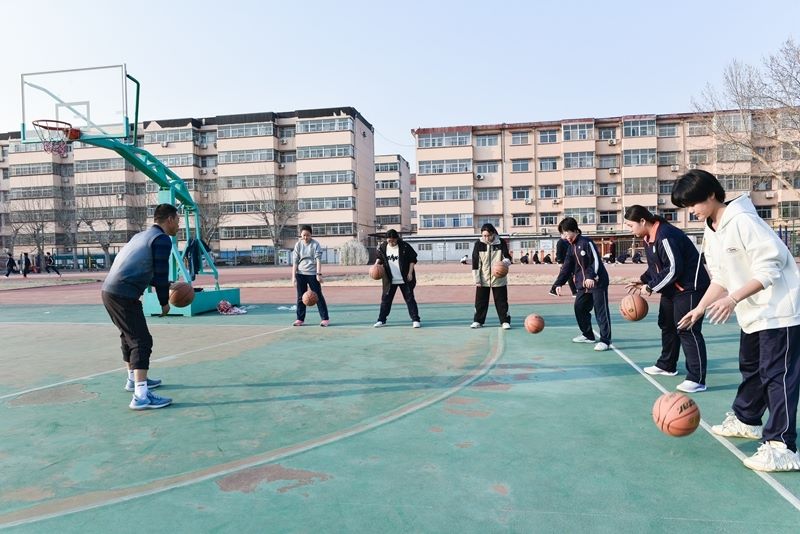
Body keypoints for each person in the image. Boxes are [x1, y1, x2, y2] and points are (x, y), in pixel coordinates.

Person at [674, 169, 800, 472]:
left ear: (711, 194)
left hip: (779, 311)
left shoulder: (744, 221)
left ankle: (782, 446)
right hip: (753, 313)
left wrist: (732, 299)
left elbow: (769, 268)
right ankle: (747, 420)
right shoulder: (711, 228)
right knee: (751, 368)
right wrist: (700, 308)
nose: (691, 211)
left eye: (693, 203)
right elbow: (721, 277)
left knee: (777, 376)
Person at [623, 205, 710, 393]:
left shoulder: (665, 235)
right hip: (673, 288)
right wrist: (643, 279)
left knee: (687, 329)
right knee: (667, 324)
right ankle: (667, 365)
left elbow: (673, 268)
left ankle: (697, 379)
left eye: (630, 225)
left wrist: (650, 287)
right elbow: (656, 267)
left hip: (689, 287)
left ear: (642, 221)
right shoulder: (648, 237)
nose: (629, 229)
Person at [101, 203, 178, 410]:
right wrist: (164, 302)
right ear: (170, 219)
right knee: (141, 341)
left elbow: (138, 269)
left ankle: (133, 380)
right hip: (123, 293)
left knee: (128, 337)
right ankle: (141, 396)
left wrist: (167, 284)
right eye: (178, 220)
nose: (178, 225)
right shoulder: (162, 239)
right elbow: (160, 273)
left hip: (110, 291)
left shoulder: (140, 237)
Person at [551, 217, 612, 351]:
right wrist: (558, 284)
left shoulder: (586, 242)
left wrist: (591, 276)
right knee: (579, 308)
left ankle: (605, 340)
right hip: (583, 284)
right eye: (563, 234)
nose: (565, 236)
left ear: (574, 230)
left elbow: (596, 261)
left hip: (597, 282)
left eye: (566, 233)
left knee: (600, 311)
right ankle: (588, 335)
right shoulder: (571, 247)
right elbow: (566, 267)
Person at [373, 229, 421, 328]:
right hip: (389, 279)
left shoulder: (404, 246)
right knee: (386, 300)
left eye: (393, 240)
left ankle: (415, 320)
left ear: (397, 238)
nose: (391, 242)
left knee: (410, 299)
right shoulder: (383, 247)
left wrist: (410, 273)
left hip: (404, 278)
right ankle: (381, 320)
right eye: (389, 240)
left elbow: (412, 260)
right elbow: (379, 258)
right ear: (386, 239)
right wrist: (375, 265)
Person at [470, 223, 512, 329]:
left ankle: (505, 321)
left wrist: (504, 263)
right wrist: (477, 279)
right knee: (480, 302)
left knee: (502, 301)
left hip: (499, 278)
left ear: (493, 233)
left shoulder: (501, 242)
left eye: (488, 235)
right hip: (483, 278)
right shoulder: (478, 244)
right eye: (484, 236)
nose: (486, 238)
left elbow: (507, 257)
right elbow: (476, 263)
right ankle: (478, 321)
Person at [292, 225, 330, 327]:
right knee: (300, 297)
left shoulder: (315, 244)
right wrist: (293, 277)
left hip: (312, 274)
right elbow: (295, 262)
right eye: (303, 235)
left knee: (318, 296)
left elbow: (318, 260)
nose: (305, 237)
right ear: (301, 235)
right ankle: (300, 319)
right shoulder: (298, 245)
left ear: (311, 235)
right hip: (300, 274)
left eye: (308, 235)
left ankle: (325, 319)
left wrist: (318, 274)